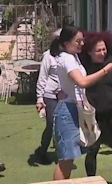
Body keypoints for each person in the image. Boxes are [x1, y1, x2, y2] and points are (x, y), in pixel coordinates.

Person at [51, 26, 112, 181]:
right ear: (66, 42)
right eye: (78, 41)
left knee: (69, 158)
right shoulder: (67, 59)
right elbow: (82, 82)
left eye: (82, 40)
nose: (81, 44)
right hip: (67, 111)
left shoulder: (73, 56)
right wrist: (106, 70)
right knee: (66, 159)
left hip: (74, 108)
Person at [82, 32, 112, 184]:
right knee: (92, 150)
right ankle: (91, 180)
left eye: (104, 49)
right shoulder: (84, 69)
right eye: (98, 50)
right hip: (93, 116)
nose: (102, 53)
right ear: (89, 52)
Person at [34, 29, 62, 164]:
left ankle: (61, 151)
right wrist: (40, 98)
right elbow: (42, 77)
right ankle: (42, 150)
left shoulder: (70, 56)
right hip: (49, 95)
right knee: (51, 123)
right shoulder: (48, 56)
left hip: (64, 95)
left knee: (61, 124)